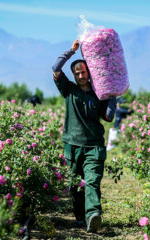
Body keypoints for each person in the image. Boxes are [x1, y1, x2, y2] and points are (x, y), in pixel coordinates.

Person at [52, 39, 116, 232]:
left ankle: (93, 214)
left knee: (92, 181)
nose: (80, 75)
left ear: (89, 73)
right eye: (77, 73)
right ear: (73, 75)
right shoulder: (68, 90)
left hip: (94, 146)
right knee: (74, 184)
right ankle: (80, 216)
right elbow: (55, 68)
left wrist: (113, 97)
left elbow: (108, 117)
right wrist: (71, 51)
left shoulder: (99, 94)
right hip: (72, 145)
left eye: (83, 72)